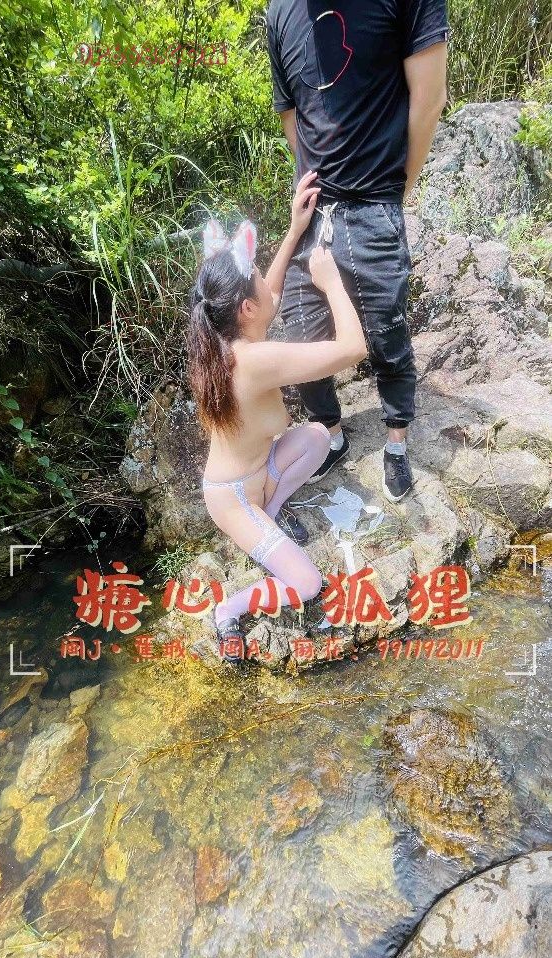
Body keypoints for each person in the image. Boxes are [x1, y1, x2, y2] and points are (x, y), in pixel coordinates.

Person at [266, 0, 449, 502]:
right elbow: (291, 114)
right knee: (303, 337)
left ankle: (396, 442)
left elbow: (429, 97)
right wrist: (311, 183)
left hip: (375, 203)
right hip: (314, 210)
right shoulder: (280, 10)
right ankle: (332, 435)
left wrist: (396, 188)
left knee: (387, 333)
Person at [186, 172, 367, 663]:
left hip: (261, 474)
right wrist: (331, 282)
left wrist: (294, 231)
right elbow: (353, 348)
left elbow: (269, 291)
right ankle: (228, 611)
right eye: (258, 285)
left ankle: (273, 511)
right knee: (307, 584)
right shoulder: (254, 360)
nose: (270, 288)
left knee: (316, 437)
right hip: (232, 499)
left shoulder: (228, 342)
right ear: (247, 308)